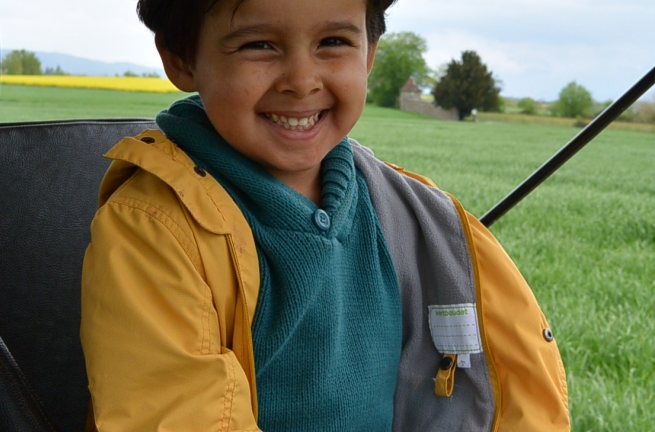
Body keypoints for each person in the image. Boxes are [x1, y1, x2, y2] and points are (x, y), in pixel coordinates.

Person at [80, 0, 570, 430]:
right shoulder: (154, 228)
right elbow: (176, 414)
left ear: (370, 53)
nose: (301, 80)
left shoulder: (406, 215)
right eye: (259, 45)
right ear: (181, 58)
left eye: (333, 41)